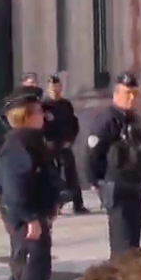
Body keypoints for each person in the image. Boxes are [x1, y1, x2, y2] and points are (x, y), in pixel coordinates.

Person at [0, 87, 59, 280]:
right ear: (27, 116)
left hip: (37, 214)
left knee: (38, 271)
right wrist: (31, 217)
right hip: (25, 219)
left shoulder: (31, 140)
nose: (44, 115)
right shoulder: (18, 145)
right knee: (24, 272)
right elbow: (15, 187)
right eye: (39, 112)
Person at [85, 73, 141, 256]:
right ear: (116, 94)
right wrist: (98, 182)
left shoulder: (134, 119)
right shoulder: (107, 119)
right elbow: (93, 154)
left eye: (134, 93)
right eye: (127, 93)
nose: (131, 98)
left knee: (133, 242)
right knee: (122, 243)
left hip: (134, 185)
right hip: (116, 186)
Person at [41, 74, 86, 214]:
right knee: (53, 176)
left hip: (65, 144)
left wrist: (71, 139)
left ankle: (78, 204)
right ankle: (55, 204)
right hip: (50, 145)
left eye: (57, 87)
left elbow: (74, 123)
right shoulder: (44, 106)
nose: (55, 89)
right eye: (52, 87)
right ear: (48, 88)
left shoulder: (65, 105)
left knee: (71, 174)